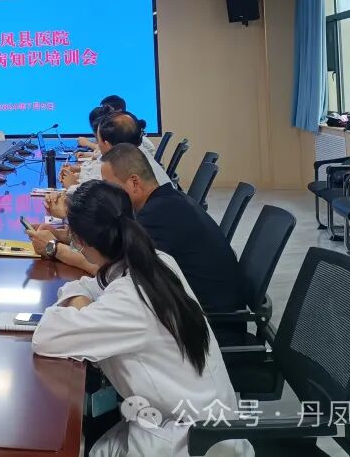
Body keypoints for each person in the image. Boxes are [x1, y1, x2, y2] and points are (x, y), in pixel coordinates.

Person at [31, 180, 250, 457]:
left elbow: (46, 336)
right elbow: (87, 285)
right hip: (198, 425)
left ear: (82, 243)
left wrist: (82, 312)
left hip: (187, 444)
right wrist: (84, 309)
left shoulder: (130, 300)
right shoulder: (158, 260)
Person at [33, 144, 247, 315]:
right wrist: (66, 235)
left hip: (208, 323)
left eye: (108, 185)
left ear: (134, 182)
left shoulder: (155, 219)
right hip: (191, 311)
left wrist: (54, 248)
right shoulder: (165, 200)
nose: (105, 192)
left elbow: (110, 272)